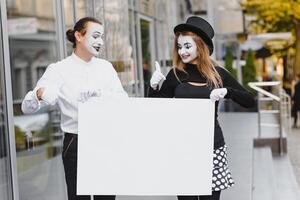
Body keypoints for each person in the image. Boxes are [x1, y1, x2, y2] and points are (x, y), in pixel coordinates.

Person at [148, 16, 256, 200]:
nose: (182, 51)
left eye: (187, 46)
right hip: (183, 147)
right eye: (179, 46)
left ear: (200, 45)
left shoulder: (218, 74)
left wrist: (227, 92)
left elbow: (250, 101)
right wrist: (153, 87)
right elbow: (155, 110)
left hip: (212, 146)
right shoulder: (175, 74)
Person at [21, 17, 127, 200]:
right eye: (95, 36)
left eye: (101, 37)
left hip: (106, 139)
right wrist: (39, 94)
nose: (100, 41)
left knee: (107, 197)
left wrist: (101, 95)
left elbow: (123, 100)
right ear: (78, 35)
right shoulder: (58, 69)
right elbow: (26, 108)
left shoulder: (106, 68)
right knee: (78, 197)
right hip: (75, 142)